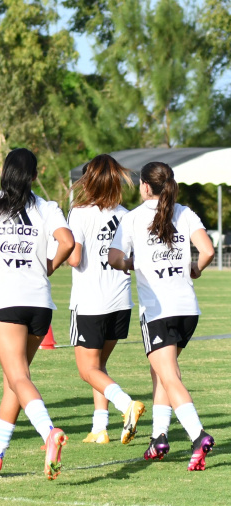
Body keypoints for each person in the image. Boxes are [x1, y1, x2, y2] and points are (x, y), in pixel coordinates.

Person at [0, 148, 75, 480]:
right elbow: (66, 241)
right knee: (14, 379)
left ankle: (48, 432)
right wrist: (48, 266)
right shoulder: (46, 207)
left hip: (5, 301)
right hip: (39, 303)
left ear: (4, 172)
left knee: (19, 377)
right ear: (34, 177)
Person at [108, 161, 216, 471]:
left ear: (144, 186)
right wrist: (196, 268)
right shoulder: (184, 212)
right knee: (160, 372)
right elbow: (206, 250)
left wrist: (133, 263)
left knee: (168, 375)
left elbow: (114, 257)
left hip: (158, 311)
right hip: (187, 309)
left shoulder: (132, 218)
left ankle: (198, 435)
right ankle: (158, 437)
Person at [67, 154, 145, 444]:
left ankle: (126, 405)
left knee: (87, 370)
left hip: (90, 302)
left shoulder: (79, 212)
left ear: (89, 181)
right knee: (98, 367)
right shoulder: (127, 215)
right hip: (121, 302)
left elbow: (74, 258)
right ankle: (99, 428)